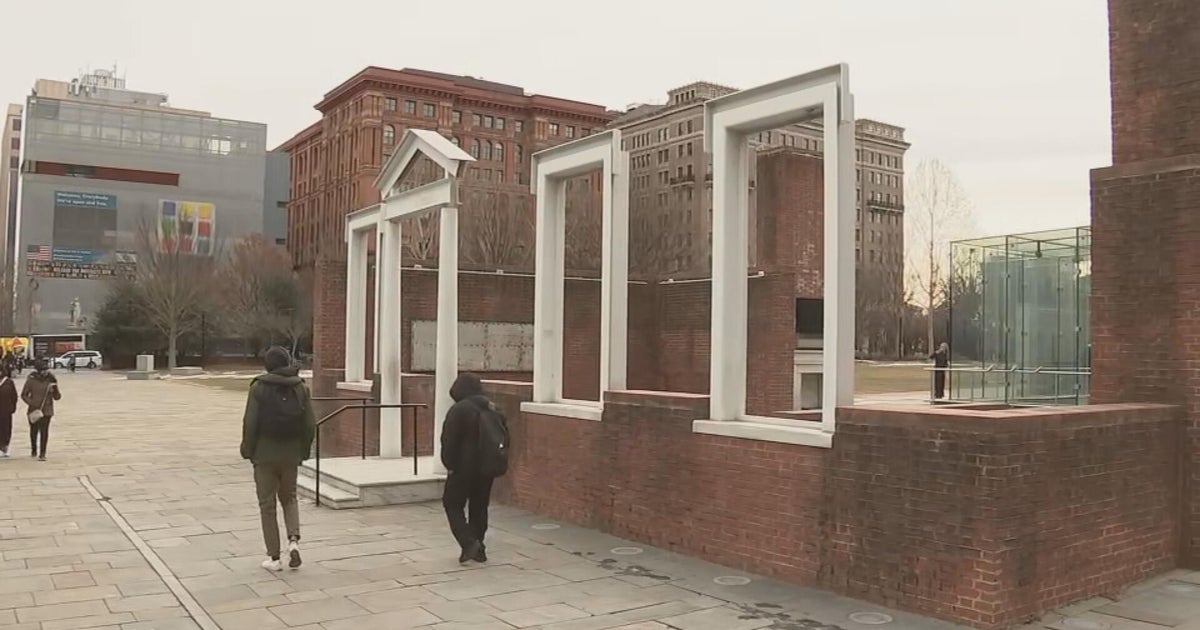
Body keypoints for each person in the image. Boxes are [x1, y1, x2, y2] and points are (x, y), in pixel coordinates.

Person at [240, 346, 315, 572]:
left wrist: (248, 449)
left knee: (267, 504)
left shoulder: (258, 388)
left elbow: (250, 422)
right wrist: (303, 451)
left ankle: (274, 557)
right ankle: (293, 540)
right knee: (289, 498)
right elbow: (309, 424)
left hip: (264, 454)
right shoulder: (301, 388)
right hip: (290, 453)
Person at [440, 373, 509, 564]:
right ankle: (479, 547)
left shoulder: (459, 410)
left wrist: (450, 464)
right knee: (479, 506)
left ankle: (469, 543)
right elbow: (505, 436)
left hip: (462, 468)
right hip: (487, 466)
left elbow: (449, 440)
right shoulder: (494, 408)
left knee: (452, 504)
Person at [21, 359, 60, 461]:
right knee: (34, 431)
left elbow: (57, 397)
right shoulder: (31, 380)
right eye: (43, 370)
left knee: (44, 431)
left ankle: (43, 453)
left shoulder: (51, 380)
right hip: (34, 410)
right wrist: (32, 403)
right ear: (38, 371)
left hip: (47, 410)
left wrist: (54, 390)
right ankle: (34, 448)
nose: (45, 372)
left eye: (46, 369)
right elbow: (24, 394)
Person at [0, 366, 16, 457]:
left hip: (6, 410)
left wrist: (13, 407)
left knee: (6, 429)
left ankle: (5, 446)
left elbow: (14, 396)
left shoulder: (9, 382)